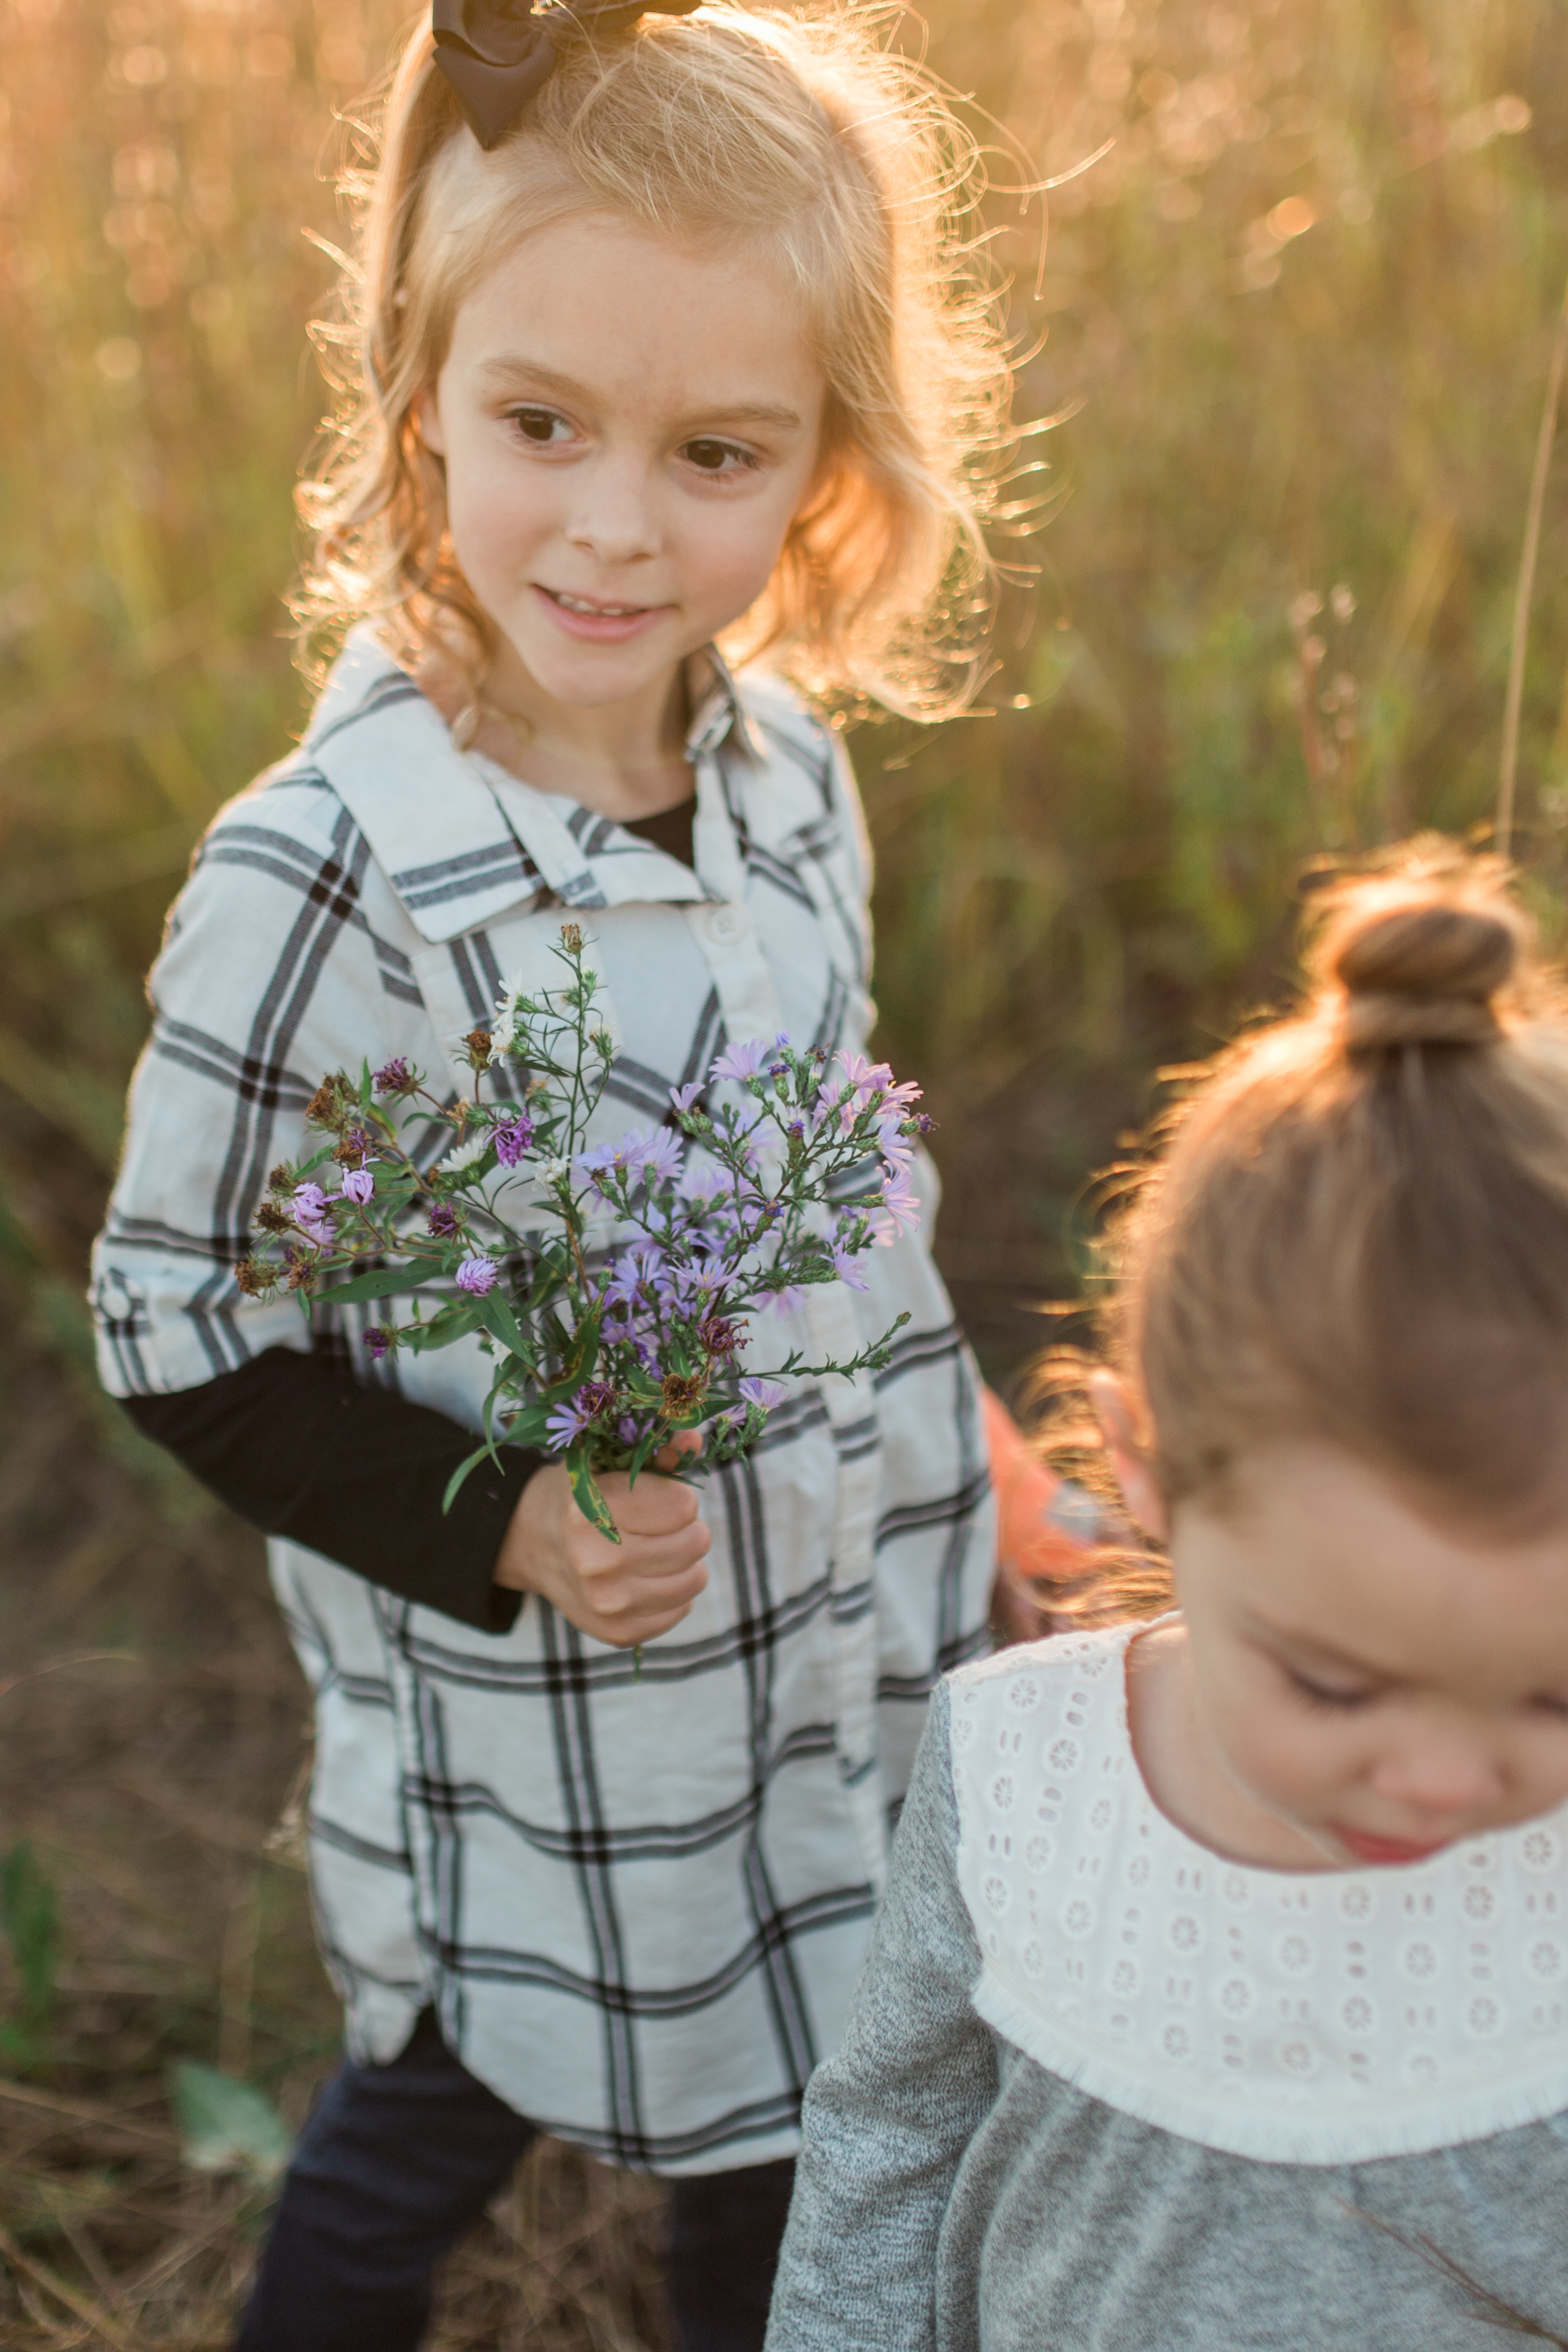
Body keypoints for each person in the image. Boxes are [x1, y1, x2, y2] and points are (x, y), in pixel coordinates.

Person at [88, 6, 1028, 2346]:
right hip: (545, 1748)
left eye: (714, 450)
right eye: (541, 427)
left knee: (806, 2103)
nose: (616, 525)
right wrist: (500, 1510)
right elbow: (176, 1325)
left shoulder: (789, 768)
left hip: (838, 1653)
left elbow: (838, 1183)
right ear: (416, 384)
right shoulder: (328, 880)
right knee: (425, 2123)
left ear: (824, 463)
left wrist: (985, 1455)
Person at [765, 841, 1568, 2352]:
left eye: (1555, 1693)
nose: (1450, 1774)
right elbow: (885, 2147)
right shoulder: (1020, 1769)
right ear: (1144, 1464)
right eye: (1334, 1683)